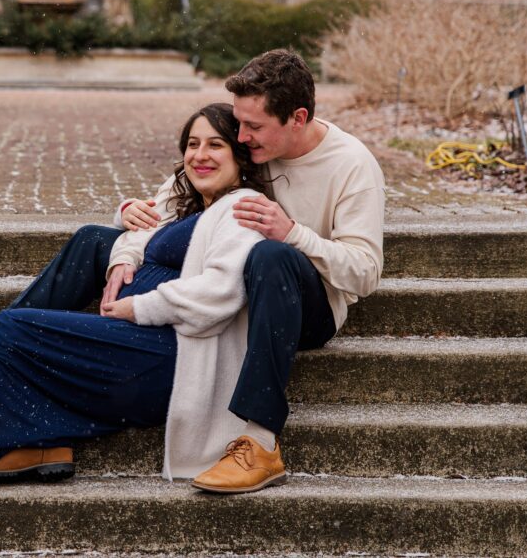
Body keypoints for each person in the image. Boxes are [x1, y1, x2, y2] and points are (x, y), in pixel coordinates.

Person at [0, 103, 272, 490]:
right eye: (193, 144)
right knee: (17, 345)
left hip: (172, 356)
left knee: (10, 331)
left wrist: (138, 305)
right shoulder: (192, 200)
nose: (200, 154)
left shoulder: (242, 207)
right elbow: (136, 226)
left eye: (216, 145)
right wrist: (127, 232)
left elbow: (220, 293)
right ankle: (38, 446)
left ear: (240, 155)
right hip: (139, 348)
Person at [120, 49, 385, 493]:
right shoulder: (249, 143)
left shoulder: (352, 166)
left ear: (297, 118)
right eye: (240, 123)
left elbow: (364, 272)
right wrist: (128, 213)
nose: (241, 136)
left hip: (307, 306)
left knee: (270, 254)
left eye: (254, 127)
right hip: (229, 291)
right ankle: (2, 357)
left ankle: (259, 440)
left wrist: (294, 234)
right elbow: (170, 197)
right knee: (94, 243)